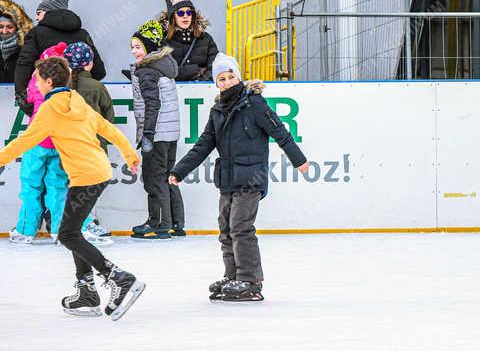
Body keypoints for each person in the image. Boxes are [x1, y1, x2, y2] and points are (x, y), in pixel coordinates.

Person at [0, 57, 144, 320]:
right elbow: (108, 129)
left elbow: (27, 140)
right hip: (95, 172)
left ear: (48, 81)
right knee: (72, 231)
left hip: (86, 176)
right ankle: (86, 292)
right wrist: (129, 155)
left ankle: (119, 278)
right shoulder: (76, 101)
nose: (36, 83)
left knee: (67, 234)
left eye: (37, 79)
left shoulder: (49, 108)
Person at [168, 53, 309, 302]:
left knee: (241, 227)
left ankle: (250, 281)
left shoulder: (254, 103)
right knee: (226, 229)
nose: (228, 81)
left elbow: (280, 132)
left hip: (251, 176)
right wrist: (179, 170)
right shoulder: (217, 110)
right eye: (222, 78)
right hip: (228, 178)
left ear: (239, 77)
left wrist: (299, 160)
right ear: (216, 83)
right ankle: (233, 275)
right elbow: (203, 145)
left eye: (231, 76)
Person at [8, 43, 104, 246]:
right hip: (58, 143)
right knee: (57, 187)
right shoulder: (67, 87)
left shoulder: (37, 82)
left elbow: (28, 98)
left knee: (31, 186)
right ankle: (58, 230)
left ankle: (25, 230)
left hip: (37, 142)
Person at [128, 21, 184, 239]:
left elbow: (153, 103)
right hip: (170, 133)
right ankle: (176, 223)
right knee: (168, 176)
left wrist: (147, 135)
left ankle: (159, 223)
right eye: (132, 47)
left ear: (150, 49)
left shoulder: (148, 73)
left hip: (157, 134)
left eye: (138, 47)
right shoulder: (162, 67)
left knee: (154, 178)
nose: (134, 52)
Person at [14, 0, 106, 115]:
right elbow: (99, 71)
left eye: (39, 12)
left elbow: (24, 64)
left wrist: (22, 96)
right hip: (78, 106)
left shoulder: (36, 33)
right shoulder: (83, 34)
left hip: (46, 101)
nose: (36, 18)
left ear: (48, 12)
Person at [65, 41, 116, 239]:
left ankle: (69, 225)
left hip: (69, 147)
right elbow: (108, 119)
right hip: (94, 148)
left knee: (72, 188)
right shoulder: (97, 87)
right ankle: (85, 224)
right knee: (89, 190)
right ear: (89, 64)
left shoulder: (63, 87)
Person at [157, 0, 220, 82]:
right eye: (181, 13)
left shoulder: (206, 39)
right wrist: (195, 70)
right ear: (172, 16)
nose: (185, 16)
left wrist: (199, 82)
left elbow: (216, 67)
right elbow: (163, 72)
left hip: (202, 93)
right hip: (171, 93)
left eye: (189, 12)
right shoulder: (163, 40)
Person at [0, 0, 32, 84]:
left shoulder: (25, 49)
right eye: (1, 27)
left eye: (10, 27)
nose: (4, 31)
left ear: (17, 28)